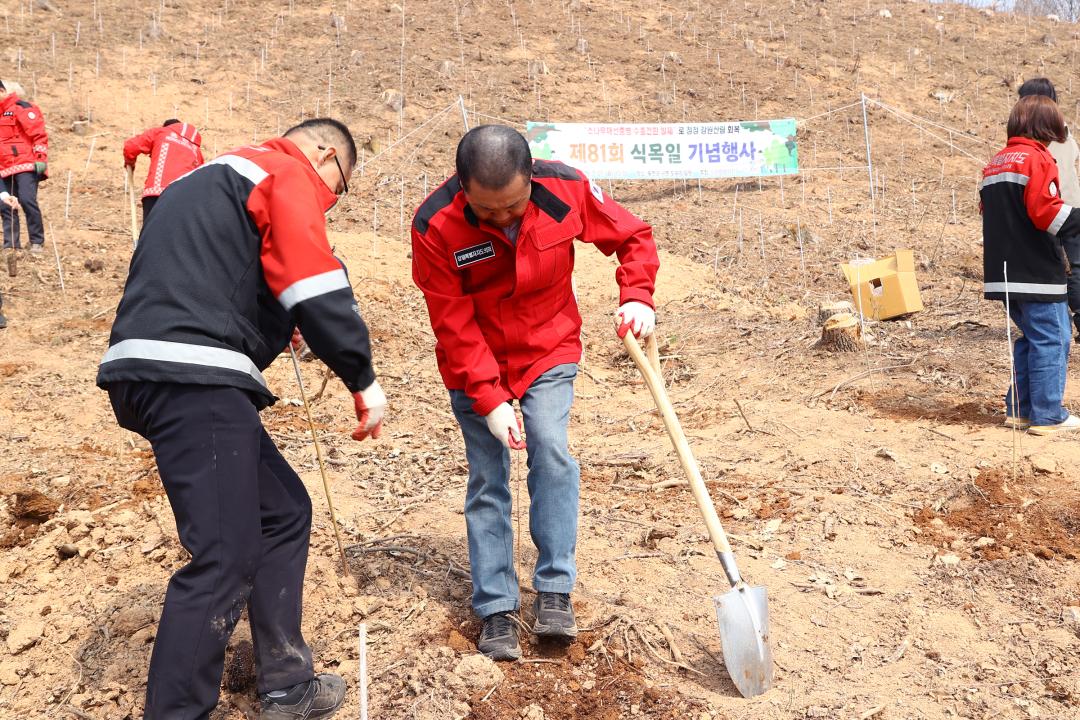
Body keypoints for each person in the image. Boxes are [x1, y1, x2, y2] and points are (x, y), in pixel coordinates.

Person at [96, 118, 386, 719]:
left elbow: (222, 274)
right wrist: (361, 375)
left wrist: (284, 325)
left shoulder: (206, 179)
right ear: (325, 154)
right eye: (339, 186)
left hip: (158, 368)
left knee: (283, 512)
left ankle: (285, 682)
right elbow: (311, 274)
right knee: (224, 556)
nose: (330, 200)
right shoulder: (282, 169)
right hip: (192, 373)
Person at [411, 125, 659, 660]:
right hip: (473, 360)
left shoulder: (565, 188)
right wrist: (489, 397)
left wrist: (637, 294)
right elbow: (450, 321)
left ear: (531, 179)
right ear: (463, 188)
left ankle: (553, 591)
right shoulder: (435, 224)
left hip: (548, 347)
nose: (503, 219)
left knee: (550, 451)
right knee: (487, 475)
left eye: (514, 207)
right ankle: (496, 607)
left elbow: (633, 236)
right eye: (488, 211)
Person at [981, 95, 1080, 435]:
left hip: (1003, 273)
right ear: (1044, 125)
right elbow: (1045, 213)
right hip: (1036, 271)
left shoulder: (998, 161)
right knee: (1054, 338)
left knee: (1032, 338)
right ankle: (1048, 415)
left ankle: (1020, 410)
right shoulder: (1037, 158)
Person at [1018, 78, 1080, 337]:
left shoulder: (1040, 137)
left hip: (1053, 209)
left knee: (1064, 267)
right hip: (1071, 206)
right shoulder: (1064, 131)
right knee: (1075, 265)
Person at [124, 119, 205, 221]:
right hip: (184, 200)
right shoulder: (197, 151)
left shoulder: (161, 132)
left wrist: (130, 163)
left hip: (158, 193)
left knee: (152, 234)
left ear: (166, 126)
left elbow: (130, 147)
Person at [0, 80, 48, 253]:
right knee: (6, 204)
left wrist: (41, 157)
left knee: (27, 200)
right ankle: (11, 244)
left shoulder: (21, 107)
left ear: (2, 91)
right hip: (4, 168)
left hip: (25, 164)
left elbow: (38, 134)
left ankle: (37, 241)